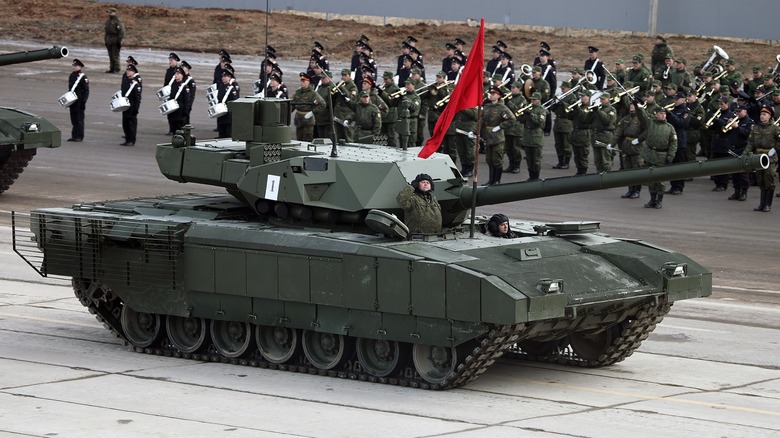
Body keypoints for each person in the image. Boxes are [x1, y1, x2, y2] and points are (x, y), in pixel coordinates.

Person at [638, 106, 677, 209]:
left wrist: (670, 156)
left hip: (661, 156)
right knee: (651, 179)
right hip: (650, 154)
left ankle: (659, 200)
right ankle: (652, 199)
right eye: (660, 113)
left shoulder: (669, 128)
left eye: (664, 113)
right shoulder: (651, 124)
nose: (663, 115)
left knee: (660, 180)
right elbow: (643, 116)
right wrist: (640, 108)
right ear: (656, 114)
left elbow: (673, 143)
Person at [744, 107, 779, 212]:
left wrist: (775, 149)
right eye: (761, 114)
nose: (762, 116)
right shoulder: (756, 128)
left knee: (769, 178)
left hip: (770, 157)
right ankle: (761, 204)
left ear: (769, 116)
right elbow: (750, 142)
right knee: (760, 179)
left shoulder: (774, 128)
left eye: (764, 114)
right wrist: (746, 153)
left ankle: (768, 204)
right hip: (758, 156)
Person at [481, 87, 516, 186]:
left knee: (497, 160)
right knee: (489, 160)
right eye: (490, 93)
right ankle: (491, 180)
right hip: (488, 136)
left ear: (499, 96)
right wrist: (475, 132)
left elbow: (512, 119)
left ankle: (497, 180)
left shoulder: (502, 108)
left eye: (494, 94)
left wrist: (500, 126)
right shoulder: (487, 106)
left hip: (497, 137)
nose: (491, 95)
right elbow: (482, 121)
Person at [291, 72, 325, 142]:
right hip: (299, 120)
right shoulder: (298, 92)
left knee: (307, 140)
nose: (301, 83)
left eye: (303, 81)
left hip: (308, 121)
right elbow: (292, 103)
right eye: (301, 81)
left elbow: (322, 104)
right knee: (299, 140)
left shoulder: (313, 93)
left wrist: (312, 112)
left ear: (308, 82)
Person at [66, 58, 89, 142]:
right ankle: (74, 135)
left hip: (79, 101)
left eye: (76, 66)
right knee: (74, 119)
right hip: (72, 101)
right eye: (73, 65)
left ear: (80, 67)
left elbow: (86, 91)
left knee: (79, 119)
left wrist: (83, 102)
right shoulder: (72, 75)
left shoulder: (83, 77)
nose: (74, 67)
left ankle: (79, 136)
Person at [120, 64, 142, 146]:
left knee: (131, 124)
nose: (128, 72)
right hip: (125, 105)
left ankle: (131, 140)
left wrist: (136, 109)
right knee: (125, 123)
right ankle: (127, 138)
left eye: (130, 71)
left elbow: (138, 98)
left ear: (134, 72)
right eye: (127, 70)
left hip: (132, 106)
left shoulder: (135, 84)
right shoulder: (126, 81)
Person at [216, 69, 239, 138]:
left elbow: (234, 101)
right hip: (221, 113)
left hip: (228, 114)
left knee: (228, 133)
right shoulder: (220, 86)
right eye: (222, 76)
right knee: (221, 132)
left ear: (229, 77)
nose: (223, 78)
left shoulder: (231, 89)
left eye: (225, 76)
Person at [104, 8, 125, 74]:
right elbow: (106, 31)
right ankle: (112, 68)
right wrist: (106, 39)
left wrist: (118, 40)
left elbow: (121, 32)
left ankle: (116, 68)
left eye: (111, 12)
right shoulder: (108, 21)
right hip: (109, 39)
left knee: (115, 55)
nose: (109, 14)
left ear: (115, 13)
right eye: (109, 12)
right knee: (110, 55)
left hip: (115, 39)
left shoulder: (117, 21)